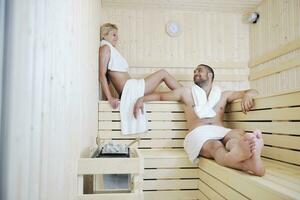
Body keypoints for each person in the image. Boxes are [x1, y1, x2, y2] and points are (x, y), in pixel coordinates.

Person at [133, 64, 265, 176]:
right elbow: (161, 96)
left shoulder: (223, 95)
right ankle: (239, 157)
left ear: (210, 75)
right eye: (194, 71)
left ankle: (243, 154)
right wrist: (141, 99)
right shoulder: (186, 92)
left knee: (236, 134)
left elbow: (252, 91)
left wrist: (248, 95)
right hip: (199, 134)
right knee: (216, 146)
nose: (196, 73)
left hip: (220, 131)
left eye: (199, 70)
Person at [99, 23, 182, 109]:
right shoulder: (105, 48)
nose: (117, 38)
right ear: (104, 35)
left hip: (131, 88)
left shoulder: (109, 49)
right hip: (130, 89)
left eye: (117, 35)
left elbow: (107, 77)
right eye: (114, 35)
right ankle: (188, 94)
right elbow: (102, 74)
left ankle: (186, 94)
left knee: (160, 92)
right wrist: (109, 98)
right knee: (162, 73)